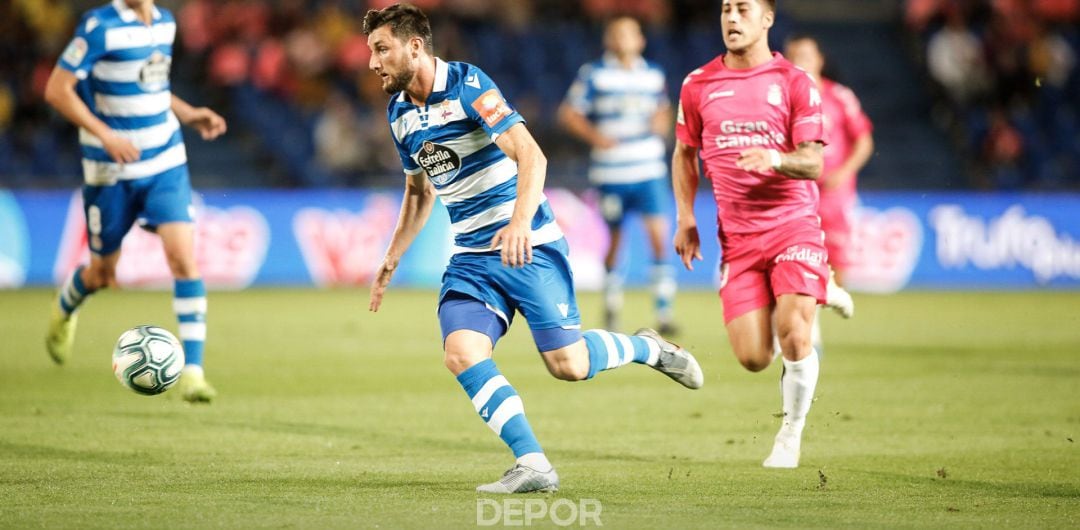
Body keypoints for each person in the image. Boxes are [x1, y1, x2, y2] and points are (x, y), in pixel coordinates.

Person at [363, 3, 703, 494]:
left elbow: (531, 153)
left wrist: (520, 221)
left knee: (569, 365)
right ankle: (533, 463)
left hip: (529, 244)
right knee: (461, 352)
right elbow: (420, 191)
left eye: (381, 49)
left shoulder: (468, 86)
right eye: (372, 51)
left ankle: (650, 348)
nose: (373, 62)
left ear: (414, 47)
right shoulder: (399, 113)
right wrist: (392, 256)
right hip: (472, 258)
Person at [671, 0, 851, 468]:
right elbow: (684, 154)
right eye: (726, 9)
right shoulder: (698, 84)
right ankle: (818, 286)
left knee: (793, 333)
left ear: (766, 19)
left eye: (743, 9)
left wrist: (774, 158)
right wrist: (685, 216)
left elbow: (813, 161)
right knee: (753, 358)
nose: (732, 18)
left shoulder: (794, 82)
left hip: (793, 225)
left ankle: (790, 434)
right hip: (739, 240)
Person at [44, 0, 226, 403]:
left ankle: (193, 372)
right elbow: (56, 90)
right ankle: (64, 309)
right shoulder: (98, 26)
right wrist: (105, 134)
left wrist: (190, 113)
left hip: (164, 159)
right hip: (110, 169)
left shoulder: (166, 23)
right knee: (103, 273)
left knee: (183, 259)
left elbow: (153, 89)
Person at [557, 16, 677, 334]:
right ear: (609, 40)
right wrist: (596, 137)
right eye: (617, 33)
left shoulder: (653, 74)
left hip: (648, 167)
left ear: (641, 40)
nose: (624, 39)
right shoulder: (595, 74)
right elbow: (569, 113)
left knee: (659, 238)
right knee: (615, 238)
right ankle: (612, 302)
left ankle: (664, 313)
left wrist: (662, 121)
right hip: (611, 171)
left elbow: (663, 108)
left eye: (630, 33)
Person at [784, 34, 871, 352]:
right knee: (795, 259)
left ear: (819, 60)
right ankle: (809, 327)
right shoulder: (782, 99)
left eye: (806, 55)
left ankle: (819, 306)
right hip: (797, 192)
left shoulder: (839, 96)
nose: (800, 62)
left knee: (838, 268)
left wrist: (844, 172)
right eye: (793, 56)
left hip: (834, 194)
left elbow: (864, 140)